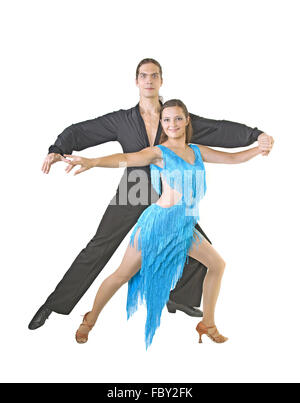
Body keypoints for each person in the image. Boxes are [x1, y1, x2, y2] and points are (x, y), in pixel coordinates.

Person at [28, 58, 274, 331]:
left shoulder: (174, 118)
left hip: (167, 197)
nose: (148, 80)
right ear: (136, 81)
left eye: (154, 75)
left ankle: (178, 298)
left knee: (201, 250)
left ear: (161, 80)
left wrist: (255, 135)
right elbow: (83, 130)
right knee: (99, 247)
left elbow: (218, 129)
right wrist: (58, 147)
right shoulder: (122, 120)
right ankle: (54, 304)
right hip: (133, 191)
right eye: (143, 76)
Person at [63, 99, 269, 349]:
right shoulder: (159, 152)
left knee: (217, 264)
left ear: (187, 120)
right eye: (167, 119)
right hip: (157, 226)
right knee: (121, 275)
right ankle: (90, 319)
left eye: (178, 118)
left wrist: (260, 148)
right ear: (162, 124)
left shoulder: (197, 151)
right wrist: (93, 162)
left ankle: (208, 323)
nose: (173, 124)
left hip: (183, 227)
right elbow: (126, 158)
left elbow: (234, 159)